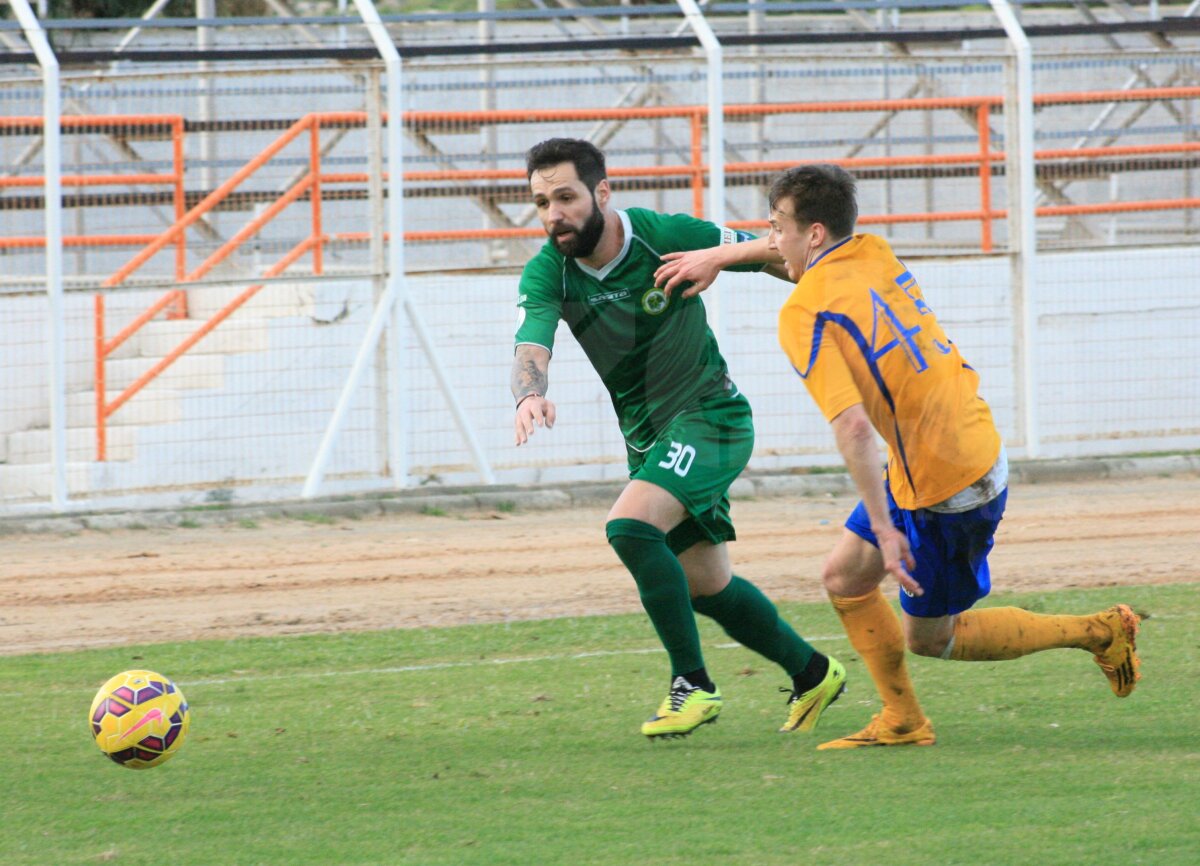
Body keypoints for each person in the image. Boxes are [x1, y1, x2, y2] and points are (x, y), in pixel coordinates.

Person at [653, 163, 1141, 750]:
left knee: (932, 637)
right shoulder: (872, 251)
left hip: (948, 482)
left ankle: (1100, 631)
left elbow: (855, 428)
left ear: (811, 234)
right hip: (950, 442)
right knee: (843, 578)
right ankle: (902, 719)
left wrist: (885, 530)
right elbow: (791, 249)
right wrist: (721, 256)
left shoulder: (805, 311)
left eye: (776, 225)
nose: (770, 237)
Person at [511, 138, 846, 740]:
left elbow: (774, 250)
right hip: (650, 440)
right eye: (541, 203)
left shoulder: (662, 233)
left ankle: (693, 684)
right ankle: (814, 672)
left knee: (630, 529)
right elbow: (531, 344)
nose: (553, 215)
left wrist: (823, 287)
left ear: (602, 192)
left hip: (711, 416)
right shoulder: (548, 271)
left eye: (565, 197)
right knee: (707, 587)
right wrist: (528, 394)